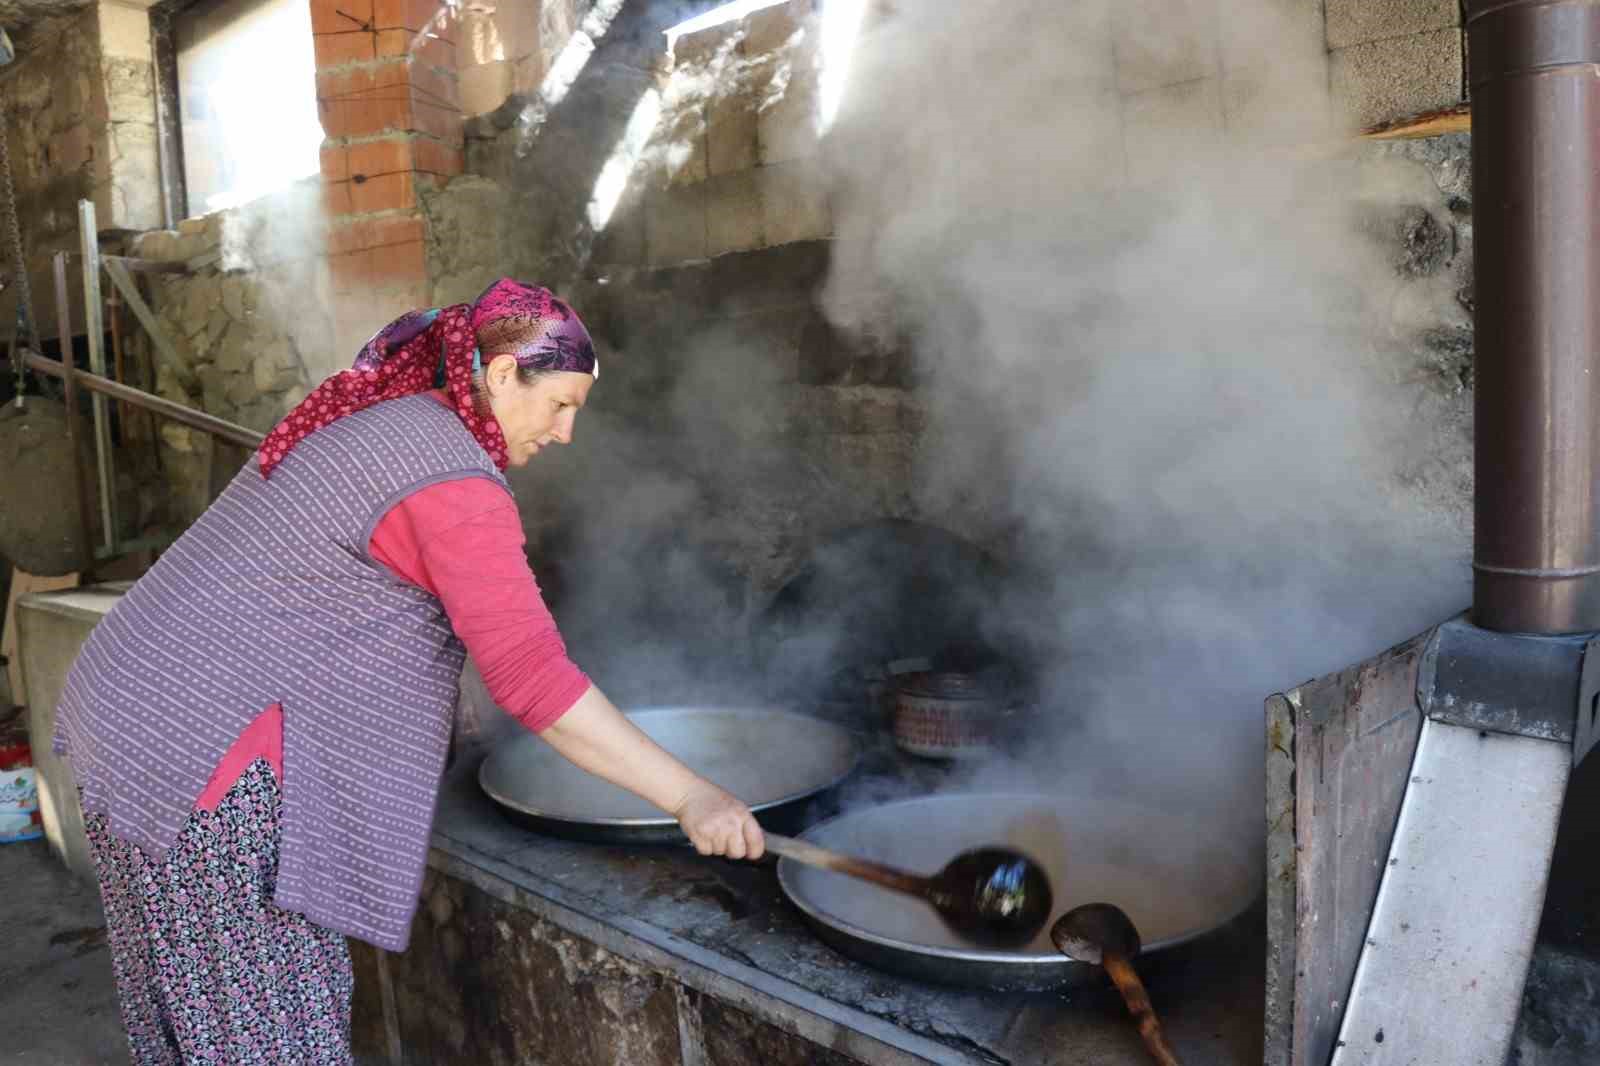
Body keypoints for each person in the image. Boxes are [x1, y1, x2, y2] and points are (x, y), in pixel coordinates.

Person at [52, 278, 765, 1064]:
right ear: (500, 377)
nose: (565, 433)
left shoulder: (397, 422)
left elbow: (353, 611)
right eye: (561, 405)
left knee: (198, 1031)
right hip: (205, 773)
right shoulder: (452, 477)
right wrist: (691, 795)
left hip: (128, 726)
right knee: (272, 1039)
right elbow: (532, 678)